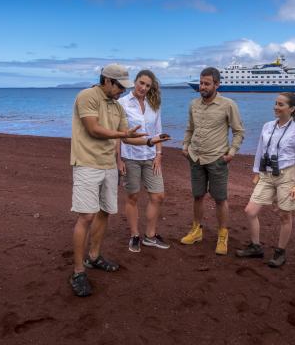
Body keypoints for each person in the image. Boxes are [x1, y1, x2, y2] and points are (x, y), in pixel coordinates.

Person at [69, 63, 169, 297]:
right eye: (119, 86)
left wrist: (149, 142)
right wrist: (124, 135)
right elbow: (93, 129)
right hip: (87, 163)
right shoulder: (87, 96)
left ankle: (94, 257)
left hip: (108, 166)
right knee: (86, 216)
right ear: (106, 80)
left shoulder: (116, 106)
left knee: (105, 212)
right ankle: (77, 271)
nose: (123, 90)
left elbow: (128, 136)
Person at [235, 92, 295, 267]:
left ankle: (280, 252)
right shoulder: (268, 126)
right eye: (276, 103)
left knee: (285, 215)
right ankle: (256, 247)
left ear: (291, 109)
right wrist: (257, 171)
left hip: (287, 175)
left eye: (281, 104)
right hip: (266, 175)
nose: (276, 107)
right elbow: (261, 150)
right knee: (250, 211)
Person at [180, 67, 245, 255]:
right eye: (201, 83)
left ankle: (223, 236)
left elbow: (239, 131)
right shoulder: (193, 104)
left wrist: (232, 153)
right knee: (197, 196)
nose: (202, 86)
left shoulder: (228, 104)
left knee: (220, 199)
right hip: (195, 158)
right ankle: (196, 231)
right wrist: (185, 146)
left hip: (217, 159)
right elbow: (189, 128)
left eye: (206, 83)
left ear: (217, 84)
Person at [117, 70, 169, 252]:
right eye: (141, 83)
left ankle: (150, 235)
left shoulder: (153, 104)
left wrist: (159, 154)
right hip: (130, 156)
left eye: (147, 85)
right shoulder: (122, 103)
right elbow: (119, 135)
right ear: (135, 81)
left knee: (158, 196)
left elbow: (158, 130)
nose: (143, 88)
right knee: (132, 197)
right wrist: (119, 160)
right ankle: (134, 235)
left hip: (151, 156)